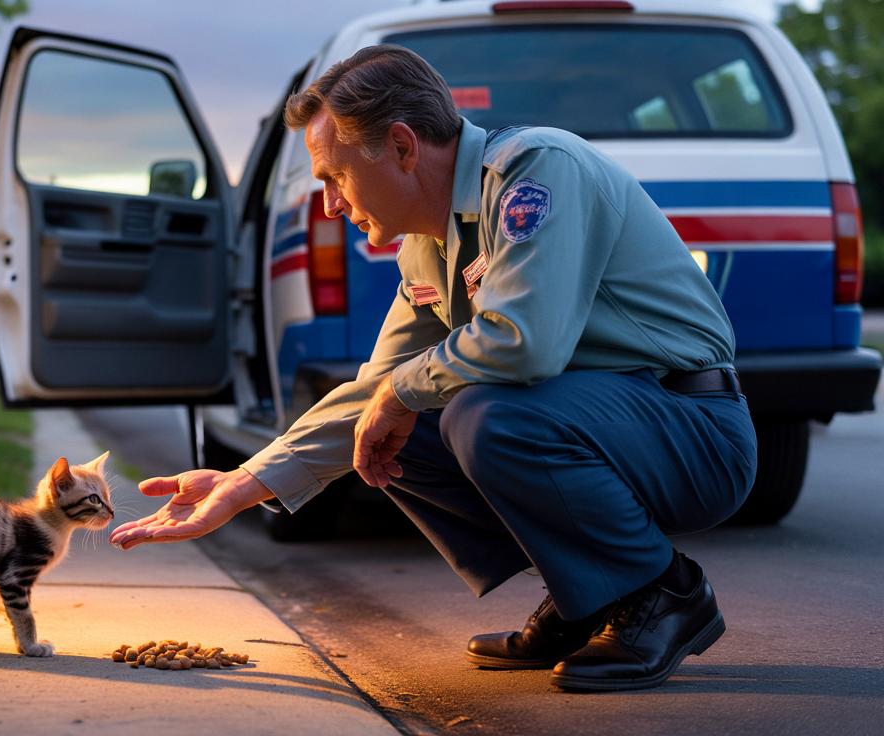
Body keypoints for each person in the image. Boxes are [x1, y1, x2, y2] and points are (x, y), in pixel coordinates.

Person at [109, 45, 757, 692]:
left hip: (691, 428)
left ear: (401, 146)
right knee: (391, 429)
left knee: (482, 413)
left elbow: (525, 343)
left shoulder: (535, 170)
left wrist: (400, 390)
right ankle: (590, 593)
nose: (330, 205)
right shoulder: (428, 246)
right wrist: (244, 483)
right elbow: (376, 389)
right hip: (610, 425)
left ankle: (660, 592)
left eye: (333, 176)